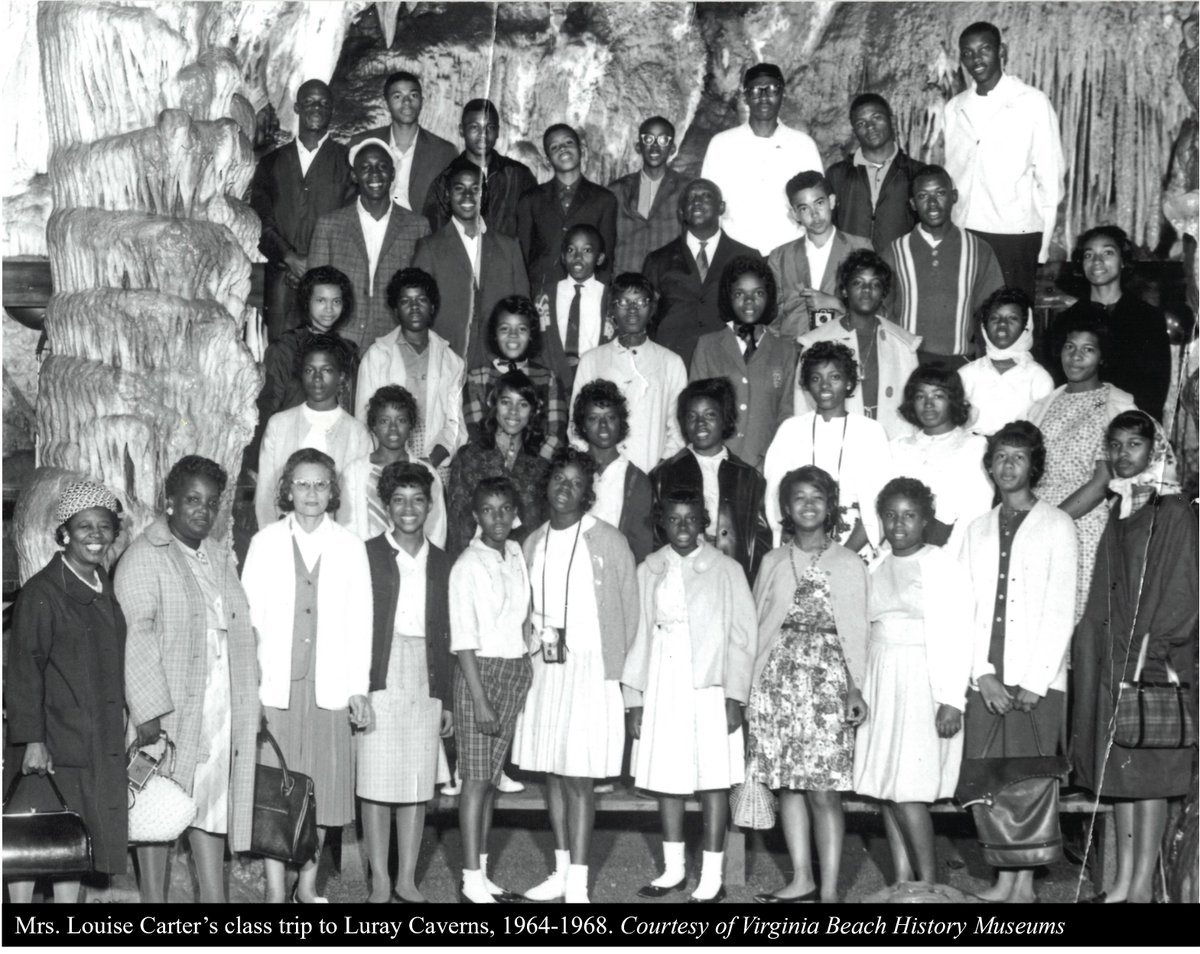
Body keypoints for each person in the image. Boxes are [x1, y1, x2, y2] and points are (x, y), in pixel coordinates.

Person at [116, 456, 259, 903]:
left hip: (220, 707)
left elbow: (240, 631)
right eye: (192, 499)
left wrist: (250, 700)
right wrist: (148, 715)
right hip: (168, 710)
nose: (202, 510)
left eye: (211, 502)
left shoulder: (218, 555)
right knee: (159, 807)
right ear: (170, 502)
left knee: (211, 807)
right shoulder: (144, 556)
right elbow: (136, 637)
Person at [1071, 411, 1197, 904]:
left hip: (1151, 662)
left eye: (1135, 446)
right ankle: (1122, 883)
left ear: (1155, 451)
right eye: (1117, 446)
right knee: (1119, 775)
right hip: (1115, 657)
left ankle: (1141, 886)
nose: (1125, 455)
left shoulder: (1172, 510)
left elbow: (1183, 592)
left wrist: (1150, 651)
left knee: (1149, 778)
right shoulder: (1124, 506)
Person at [243, 448, 372, 903]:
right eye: (302, 484)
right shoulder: (265, 542)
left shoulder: (350, 545)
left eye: (320, 484)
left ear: (332, 491)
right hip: (276, 688)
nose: (311, 493)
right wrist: (250, 690)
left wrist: (358, 687)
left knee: (318, 788)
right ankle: (276, 891)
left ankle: (308, 886)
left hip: (329, 686)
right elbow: (249, 623)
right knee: (276, 789)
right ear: (287, 490)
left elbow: (362, 622)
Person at [514, 448, 639, 903]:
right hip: (545, 667)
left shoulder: (609, 540)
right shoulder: (532, 541)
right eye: (558, 480)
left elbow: (629, 612)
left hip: (591, 666)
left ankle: (581, 885)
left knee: (580, 776)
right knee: (552, 771)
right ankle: (562, 870)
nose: (565, 489)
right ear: (546, 485)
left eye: (575, 483)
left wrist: (624, 679)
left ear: (588, 493)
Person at [961, 421, 1077, 904]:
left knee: (1028, 780)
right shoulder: (977, 528)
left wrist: (1036, 678)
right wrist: (981, 673)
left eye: (1018, 457)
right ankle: (1002, 879)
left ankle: (1024, 886)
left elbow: (1061, 603)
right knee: (988, 778)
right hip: (987, 675)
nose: (1008, 466)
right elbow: (964, 605)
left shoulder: (1057, 524)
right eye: (1000, 457)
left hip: (1037, 679)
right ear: (990, 466)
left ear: (1035, 466)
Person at [624, 486, 756, 904]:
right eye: (674, 518)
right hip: (663, 675)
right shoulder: (649, 568)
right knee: (668, 777)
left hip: (709, 682)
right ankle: (674, 869)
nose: (683, 527)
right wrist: (635, 698)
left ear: (705, 523)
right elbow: (637, 634)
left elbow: (742, 637)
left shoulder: (725, 569)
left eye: (692, 519)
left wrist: (734, 695)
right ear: (661, 522)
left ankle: (712, 874)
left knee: (713, 778)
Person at [748, 466, 868, 903]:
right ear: (786, 508)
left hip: (828, 684)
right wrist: (750, 689)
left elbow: (858, 634)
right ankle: (803, 878)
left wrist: (855, 689)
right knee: (787, 785)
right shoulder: (773, 560)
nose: (809, 505)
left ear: (830, 505)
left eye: (818, 497)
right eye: (799, 497)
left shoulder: (849, 563)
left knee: (823, 790)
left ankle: (831, 891)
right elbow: (757, 626)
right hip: (778, 682)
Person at [4, 481, 127, 904]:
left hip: (90, 737)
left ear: (114, 533)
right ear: (64, 534)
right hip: (51, 740)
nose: (95, 535)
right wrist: (33, 741)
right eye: (84, 527)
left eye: (104, 527)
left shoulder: (101, 584)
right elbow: (24, 671)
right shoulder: (43, 592)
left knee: (73, 839)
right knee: (29, 838)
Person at [853, 478, 974, 886]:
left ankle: (930, 883)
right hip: (881, 679)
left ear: (926, 520)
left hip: (923, 679)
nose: (899, 524)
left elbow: (960, 635)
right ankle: (902, 882)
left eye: (909, 516)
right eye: (891, 515)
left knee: (910, 791)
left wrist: (952, 699)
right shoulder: (875, 564)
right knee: (888, 787)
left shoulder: (942, 565)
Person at [359, 462, 453, 903]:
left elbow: (450, 635)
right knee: (376, 779)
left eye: (418, 500)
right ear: (386, 505)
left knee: (417, 778)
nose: (409, 508)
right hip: (381, 668)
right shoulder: (368, 554)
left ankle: (407, 879)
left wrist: (446, 698)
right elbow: (353, 624)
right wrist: (357, 686)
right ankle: (380, 879)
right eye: (399, 499)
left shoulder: (443, 561)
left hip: (425, 672)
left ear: (430, 505)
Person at [449, 476, 534, 904]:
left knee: (491, 783)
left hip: (514, 669)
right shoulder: (467, 564)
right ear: (475, 515)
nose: (497, 518)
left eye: (504, 509)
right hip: (479, 675)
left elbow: (522, 617)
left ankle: (481, 876)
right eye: (488, 510)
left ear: (515, 511)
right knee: (476, 782)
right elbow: (463, 641)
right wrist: (480, 699)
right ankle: (469, 880)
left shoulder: (516, 552)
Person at [943, 21, 1065, 300]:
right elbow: (954, 172)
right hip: (965, 230)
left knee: (1011, 320)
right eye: (968, 53)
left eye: (984, 49)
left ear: (1002, 51)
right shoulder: (955, 108)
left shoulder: (1031, 102)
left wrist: (1042, 247)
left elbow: (1050, 178)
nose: (976, 59)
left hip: (1015, 234)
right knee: (968, 317)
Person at [1028, 313, 1135, 623]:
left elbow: (1103, 481)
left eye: (1088, 349)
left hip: (1082, 525)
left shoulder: (1114, 406)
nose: (1076, 357)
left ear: (1102, 356)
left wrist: (1050, 522)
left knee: (1076, 626)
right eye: (1069, 347)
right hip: (1035, 518)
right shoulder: (1045, 404)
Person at [249, 79, 355, 342]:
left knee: (325, 356)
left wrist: (314, 266)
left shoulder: (347, 162)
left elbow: (351, 220)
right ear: (296, 107)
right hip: (282, 280)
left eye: (323, 103)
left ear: (332, 109)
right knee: (282, 356)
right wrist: (288, 256)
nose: (316, 108)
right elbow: (261, 218)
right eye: (309, 102)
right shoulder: (271, 163)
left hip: (331, 280)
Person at [766, 341, 892, 551]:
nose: (825, 385)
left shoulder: (871, 432)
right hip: (800, 543)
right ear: (806, 385)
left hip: (855, 545)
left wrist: (842, 557)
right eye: (816, 378)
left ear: (849, 382)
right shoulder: (791, 430)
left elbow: (879, 502)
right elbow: (776, 497)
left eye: (834, 377)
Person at [307, 139, 432, 351]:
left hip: (395, 343)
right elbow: (313, 292)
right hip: (339, 341)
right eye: (365, 167)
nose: (374, 174)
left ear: (393, 174)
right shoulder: (329, 225)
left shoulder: (417, 226)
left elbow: (424, 295)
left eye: (382, 167)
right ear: (354, 175)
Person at [650, 377, 772, 582]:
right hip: (681, 576)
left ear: (725, 419)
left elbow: (759, 540)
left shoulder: (749, 477)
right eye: (692, 416)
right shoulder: (663, 474)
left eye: (710, 415)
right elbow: (655, 536)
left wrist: (750, 582)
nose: (700, 424)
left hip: (732, 576)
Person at [880, 165, 1004, 366]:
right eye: (922, 196)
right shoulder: (894, 251)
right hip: (907, 362)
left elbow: (993, 312)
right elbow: (882, 312)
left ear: (954, 196)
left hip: (960, 362)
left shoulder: (979, 250)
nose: (932, 204)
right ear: (912, 203)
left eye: (940, 193)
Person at [412, 157, 529, 367]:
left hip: (499, 363)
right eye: (459, 188)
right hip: (447, 362)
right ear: (448, 195)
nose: (467, 195)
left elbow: (523, 309)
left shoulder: (509, 247)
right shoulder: (429, 248)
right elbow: (418, 311)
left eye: (475, 189)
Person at [1045, 225, 1172, 419]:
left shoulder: (1148, 318)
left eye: (1107, 252)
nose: (1097, 261)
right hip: (1077, 424)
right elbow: (1057, 383)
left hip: (1131, 427)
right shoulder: (1066, 321)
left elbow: (1155, 388)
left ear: (1122, 260)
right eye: (1089, 255)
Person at [795, 249, 920, 439]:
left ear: (883, 293)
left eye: (875, 284)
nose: (866, 290)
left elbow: (913, 411)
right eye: (858, 282)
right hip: (836, 445)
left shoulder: (903, 344)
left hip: (893, 446)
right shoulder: (815, 343)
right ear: (844, 290)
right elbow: (803, 409)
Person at [570, 272, 687, 475]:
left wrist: (660, 468)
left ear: (652, 308)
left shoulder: (671, 362)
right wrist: (590, 465)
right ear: (612, 309)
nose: (632, 310)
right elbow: (576, 424)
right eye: (623, 302)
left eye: (641, 302)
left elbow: (678, 428)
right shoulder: (592, 360)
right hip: (598, 472)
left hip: (650, 471)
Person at [700, 63, 823, 255]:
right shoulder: (721, 145)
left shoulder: (803, 145)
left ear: (783, 94)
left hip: (791, 251)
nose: (764, 97)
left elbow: (818, 206)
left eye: (772, 89)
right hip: (735, 251)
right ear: (745, 96)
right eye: (756, 90)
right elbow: (708, 204)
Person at [353, 267, 466, 475]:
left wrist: (429, 461)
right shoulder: (377, 356)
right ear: (395, 310)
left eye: (421, 300)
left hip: (434, 466)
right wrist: (386, 462)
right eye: (405, 301)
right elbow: (363, 420)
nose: (414, 307)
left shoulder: (451, 361)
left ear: (432, 306)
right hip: (385, 466)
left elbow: (455, 425)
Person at [256, 333, 373, 530]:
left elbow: (357, 501)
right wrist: (273, 538)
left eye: (326, 370)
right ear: (301, 375)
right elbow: (266, 493)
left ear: (341, 377)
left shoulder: (357, 433)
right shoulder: (279, 425)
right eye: (310, 370)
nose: (317, 378)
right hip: (285, 536)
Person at [690, 256, 797, 469]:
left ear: (769, 297)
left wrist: (767, 460)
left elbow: (787, 415)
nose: (749, 301)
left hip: (766, 466)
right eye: (740, 294)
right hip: (714, 464)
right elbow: (695, 409)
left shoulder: (785, 351)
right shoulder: (707, 346)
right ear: (728, 297)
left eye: (758, 293)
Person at [642, 179, 762, 367]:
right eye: (690, 198)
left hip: (728, 363)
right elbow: (648, 319)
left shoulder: (747, 258)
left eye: (705, 196)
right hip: (671, 364)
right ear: (681, 212)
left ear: (721, 207)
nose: (697, 201)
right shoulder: (658, 260)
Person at [447, 369, 551, 557]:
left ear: (533, 411)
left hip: (523, 568)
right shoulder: (469, 458)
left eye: (523, 404)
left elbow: (540, 532)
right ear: (493, 405)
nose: (513, 411)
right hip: (474, 567)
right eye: (505, 402)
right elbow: (457, 529)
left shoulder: (541, 467)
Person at [890, 366, 993, 548]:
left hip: (953, 554)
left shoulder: (974, 446)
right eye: (921, 396)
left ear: (952, 400)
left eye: (938, 396)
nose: (928, 404)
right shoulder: (898, 447)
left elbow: (976, 513)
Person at [767, 171, 872, 340]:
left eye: (819, 203)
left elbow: (873, 308)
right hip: (794, 350)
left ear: (831, 201)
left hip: (844, 347)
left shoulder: (860, 248)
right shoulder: (780, 257)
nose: (814, 214)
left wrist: (836, 304)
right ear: (795, 214)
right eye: (804, 208)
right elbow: (773, 315)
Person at [340, 385, 447, 547]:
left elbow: (436, 530)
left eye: (401, 420)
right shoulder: (354, 472)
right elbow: (346, 529)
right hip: (366, 564)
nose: (393, 428)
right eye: (384, 421)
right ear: (373, 425)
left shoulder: (427, 474)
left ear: (411, 425)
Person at [462, 296, 568, 459]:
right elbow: (477, 433)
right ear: (495, 334)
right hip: (488, 468)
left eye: (521, 329)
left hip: (535, 469)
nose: (513, 335)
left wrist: (531, 469)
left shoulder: (548, 379)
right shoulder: (477, 378)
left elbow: (555, 435)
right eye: (505, 328)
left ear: (531, 335)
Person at [517, 124, 618, 294]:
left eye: (568, 142)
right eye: (554, 146)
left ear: (582, 149)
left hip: (586, 293)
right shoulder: (530, 200)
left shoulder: (604, 199)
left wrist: (600, 297)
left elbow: (606, 256)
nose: (562, 148)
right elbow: (523, 256)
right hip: (541, 292)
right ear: (547, 159)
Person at [256, 266, 357, 429]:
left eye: (336, 301)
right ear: (306, 301)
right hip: (292, 439)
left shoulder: (347, 351)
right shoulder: (285, 348)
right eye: (321, 300)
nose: (329, 309)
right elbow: (267, 407)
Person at [424, 99, 538, 238]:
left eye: (489, 127)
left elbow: (534, 229)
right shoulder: (445, 181)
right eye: (474, 127)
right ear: (461, 130)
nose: (483, 134)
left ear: (497, 132)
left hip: (508, 258)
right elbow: (436, 236)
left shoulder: (518, 176)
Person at [347, 70, 457, 214]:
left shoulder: (443, 152)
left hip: (422, 231)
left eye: (413, 95)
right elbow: (347, 196)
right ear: (385, 103)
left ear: (422, 102)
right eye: (397, 96)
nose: (407, 102)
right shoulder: (362, 144)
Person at [825, 93, 923, 252]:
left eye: (876, 117)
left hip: (898, 269)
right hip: (851, 268)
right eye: (861, 123)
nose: (870, 126)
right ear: (854, 130)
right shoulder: (837, 175)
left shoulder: (916, 173)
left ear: (892, 120)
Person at [573, 378, 654, 563]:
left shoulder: (637, 480)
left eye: (610, 417)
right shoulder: (571, 472)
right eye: (593, 418)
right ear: (583, 425)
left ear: (620, 422)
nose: (603, 425)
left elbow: (641, 547)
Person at [958, 287, 1054, 436]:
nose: (1002, 324)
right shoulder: (966, 374)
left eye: (1012, 318)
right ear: (984, 326)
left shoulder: (1039, 378)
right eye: (995, 318)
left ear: (1026, 326)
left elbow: (1044, 431)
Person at [533, 225, 613, 390]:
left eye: (587, 251)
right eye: (571, 250)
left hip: (594, 381)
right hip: (553, 382)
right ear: (563, 256)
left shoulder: (609, 298)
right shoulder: (545, 295)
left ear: (600, 258)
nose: (577, 257)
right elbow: (539, 341)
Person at [608, 116, 688, 275]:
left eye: (663, 140)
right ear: (638, 147)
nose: (655, 146)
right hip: (625, 283)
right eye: (649, 139)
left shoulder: (686, 189)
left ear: (672, 149)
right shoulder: (616, 191)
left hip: (667, 284)